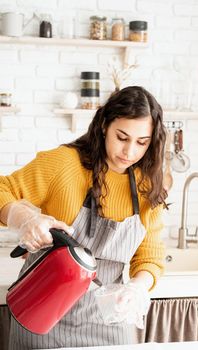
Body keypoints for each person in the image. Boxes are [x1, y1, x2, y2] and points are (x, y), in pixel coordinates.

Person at [0, 86, 167, 349]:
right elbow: (3, 190)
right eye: (122, 137)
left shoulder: (147, 186)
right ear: (104, 126)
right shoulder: (63, 164)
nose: (129, 152)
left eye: (142, 143)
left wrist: (137, 287)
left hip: (108, 322)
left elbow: (150, 257)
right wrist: (25, 219)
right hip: (40, 312)